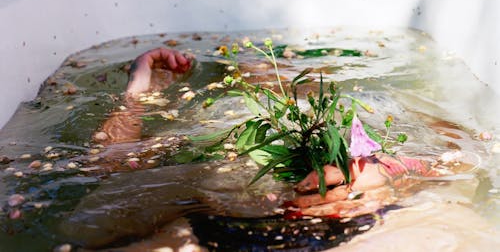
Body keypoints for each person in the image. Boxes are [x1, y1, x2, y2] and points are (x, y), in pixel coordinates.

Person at [92, 47, 450, 218]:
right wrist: (139, 93)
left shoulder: (374, 102)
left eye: (285, 57)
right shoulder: (204, 113)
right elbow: (110, 171)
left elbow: (457, 156)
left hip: (372, 215)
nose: (265, 64)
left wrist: (391, 169)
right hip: (219, 217)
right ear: (227, 77)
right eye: (247, 59)